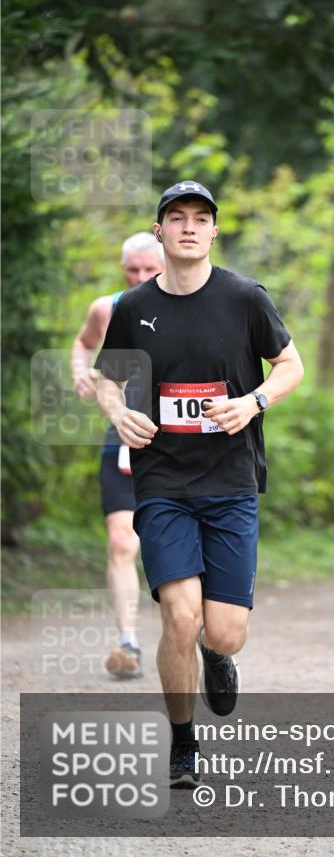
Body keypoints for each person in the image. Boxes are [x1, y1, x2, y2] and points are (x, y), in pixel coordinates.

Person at [94, 181, 304, 788]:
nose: (189, 227)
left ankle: (218, 656)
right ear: (158, 230)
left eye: (201, 218)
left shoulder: (244, 298)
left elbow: (291, 365)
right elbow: (108, 378)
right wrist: (118, 412)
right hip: (162, 481)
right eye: (178, 217)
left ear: (215, 230)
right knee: (180, 618)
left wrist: (254, 401)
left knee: (224, 632)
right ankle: (183, 744)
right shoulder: (133, 307)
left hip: (231, 481)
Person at [71, 232, 164, 678]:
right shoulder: (106, 308)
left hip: (182, 440)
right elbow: (83, 342)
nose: (141, 277)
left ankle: (201, 637)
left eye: (150, 269)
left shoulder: (192, 305)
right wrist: (80, 372)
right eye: (133, 270)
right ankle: (128, 643)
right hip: (124, 433)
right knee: (122, 541)